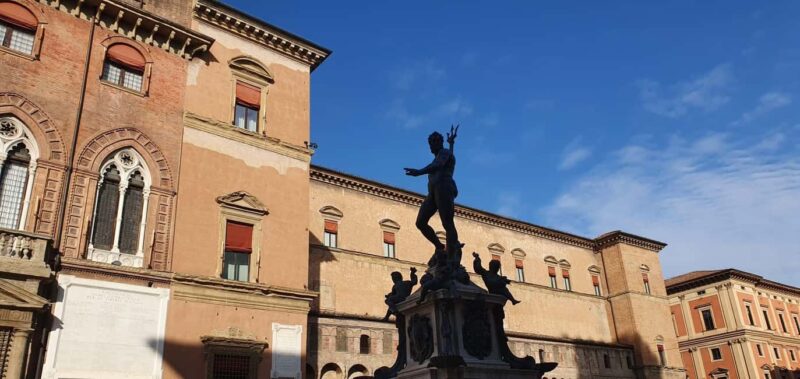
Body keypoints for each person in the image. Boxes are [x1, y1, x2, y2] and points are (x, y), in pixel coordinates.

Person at [404, 125, 460, 263]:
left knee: (447, 224)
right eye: (430, 143)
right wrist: (451, 143)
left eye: (433, 143)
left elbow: (439, 165)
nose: (431, 146)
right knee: (420, 222)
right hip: (432, 193)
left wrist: (419, 172)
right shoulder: (443, 154)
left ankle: (452, 257)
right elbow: (443, 159)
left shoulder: (444, 154)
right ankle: (439, 246)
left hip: (444, 188)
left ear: (439, 143)